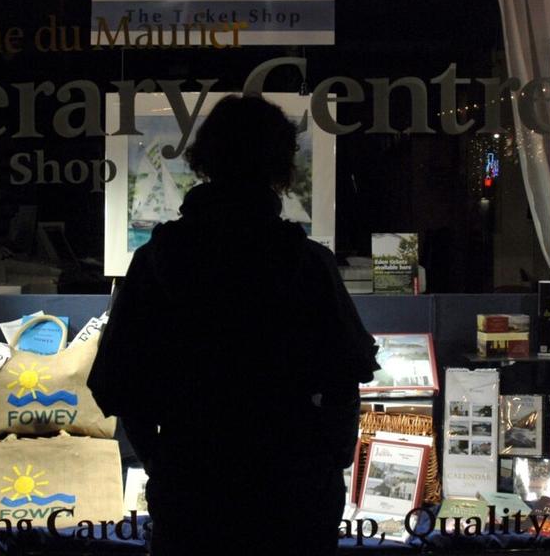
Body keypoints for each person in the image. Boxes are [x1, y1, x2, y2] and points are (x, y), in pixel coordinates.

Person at [88, 95, 379, 556]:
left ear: (206, 160)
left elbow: (118, 386)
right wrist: (326, 463)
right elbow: (346, 379)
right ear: (280, 166)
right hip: (291, 492)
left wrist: (163, 464)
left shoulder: (158, 261)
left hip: (194, 487)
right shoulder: (306, 263)